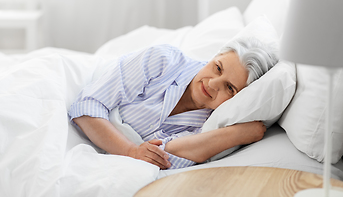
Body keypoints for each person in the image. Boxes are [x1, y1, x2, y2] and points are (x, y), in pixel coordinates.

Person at [68, 37, 278, 170]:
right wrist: (132, 151)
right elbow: (87, 107)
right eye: (217, 68)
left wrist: (237, 134)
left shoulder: (210, 125)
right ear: (215, 57)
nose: (213, 84)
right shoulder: (162, 60)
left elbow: (169, 157)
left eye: (230, 88)